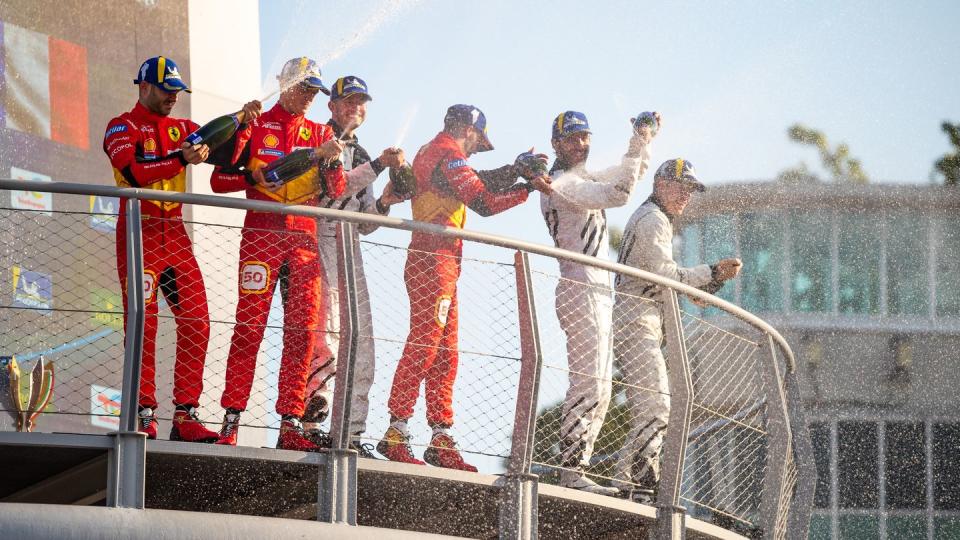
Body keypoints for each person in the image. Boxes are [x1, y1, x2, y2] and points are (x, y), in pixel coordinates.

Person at [377, 104, 552, 471]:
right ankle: (397, 429)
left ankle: (441, 436)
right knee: (427, 340)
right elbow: (484, 203)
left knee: (445, 349)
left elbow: (476, 180)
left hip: (442, 258)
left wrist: (517, 172)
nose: (476, 149)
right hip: (434, 256)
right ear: (469, 131)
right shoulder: (448, 152)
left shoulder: (437, 152)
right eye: (478, 142)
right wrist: (526, 189)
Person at [209, 57, 346, 452]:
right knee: (249, 328)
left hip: (304, 244)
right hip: (261, 237)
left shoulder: (321, 131)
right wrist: (253, 176)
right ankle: (230, 422)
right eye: (303, 88)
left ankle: (290, 423)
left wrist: (332, 159)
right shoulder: (254, 124)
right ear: (284, 83)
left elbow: (335, 191)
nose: (308, 98)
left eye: (314, 92)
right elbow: (219, 181)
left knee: (302, 333)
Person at [103, 56, 222, 442]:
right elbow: (134, 172)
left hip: (176, 236)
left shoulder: (183, 129)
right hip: (140, 234)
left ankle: (185, 415)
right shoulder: (122, 124)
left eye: (177, 91)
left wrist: (244, 117)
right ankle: (144, 412)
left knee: (198, 323)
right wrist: (179, 159)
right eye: (167, 91)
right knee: (144, 326)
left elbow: (224, 143)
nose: (174, 97)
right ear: (145, 87)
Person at [539, 110, 658, 495]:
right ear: (556, 144)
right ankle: (571, 473)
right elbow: (620, 194)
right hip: (580, 286)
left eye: (584, 137)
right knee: (589, 381)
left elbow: (631, 175)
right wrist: (638, 142)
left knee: (602, 385)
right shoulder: (562, 183)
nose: (580, 144)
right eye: (572, 138)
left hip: (595, 289)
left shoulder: (581, 178)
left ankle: (578, 469)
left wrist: (643, 139)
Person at [612, 158, 741, 502]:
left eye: (691, 190)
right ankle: (638, 482)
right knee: (656, 405)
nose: (686, 195)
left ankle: (630, 480)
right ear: (661, 184)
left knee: (650, 404)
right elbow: (665, 277)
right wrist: (711, 272)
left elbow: (661, 277)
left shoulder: (654, 218)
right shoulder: (653, 220)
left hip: (639, 318)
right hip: (636, 320)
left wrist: (704, 286)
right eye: (681, 187)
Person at [301, 75, 407, 457]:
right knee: (323, 337)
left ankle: (350, 434)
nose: (356, 108)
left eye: (362, 102)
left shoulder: (362, 154)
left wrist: (387, 202)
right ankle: (311, 425)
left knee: (362, 343)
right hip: (316, 238)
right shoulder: (318, 138)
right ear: (331, 105)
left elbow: (364, 223)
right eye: (349, 101)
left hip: (349, 247)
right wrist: (380, 164)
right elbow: (335, 189)